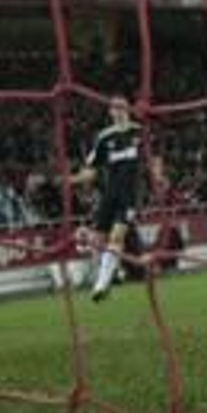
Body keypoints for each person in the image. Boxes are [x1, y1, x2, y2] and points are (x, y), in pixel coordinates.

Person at [68, 95, 147, 302]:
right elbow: (91, 171)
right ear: (110, 112)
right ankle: (111, 274)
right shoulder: (104, 137)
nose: (119, 111)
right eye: (115, 108)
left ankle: (101, 285)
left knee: (117, 236)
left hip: (129, 196)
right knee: (98, 240)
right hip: (109, 194)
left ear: (128, 109)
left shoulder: (139, 132)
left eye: (122, 107)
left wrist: (158, 175)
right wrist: (71, 179)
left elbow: (152, 158)